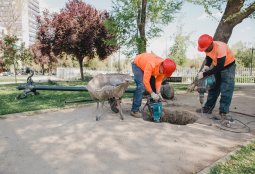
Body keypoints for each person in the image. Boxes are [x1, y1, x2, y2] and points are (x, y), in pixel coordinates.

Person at [196, 34, 236, 119]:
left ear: (211, 44)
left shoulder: (220, 47)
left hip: (228, 66)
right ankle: (208, 108)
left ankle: (223, 111)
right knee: (213, 87)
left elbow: (220, 66)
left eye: (205, 48)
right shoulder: (208, 48)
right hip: (217, 66)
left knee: (226, 88)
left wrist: (204, 74)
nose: (205, 50)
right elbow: (209, 55)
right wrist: (206, 66)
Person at [130, 53, 176, 118]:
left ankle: (154, 109)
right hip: (137, 65)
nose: (164, 73)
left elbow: (158, 81)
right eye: (164, 72)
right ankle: (134, 110)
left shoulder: (164, 68)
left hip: (146, 67)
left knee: (154, 87)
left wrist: (158, 92)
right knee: (141, 86)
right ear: (162, 66)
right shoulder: (151, 64)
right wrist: (151, 93)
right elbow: (146, 81)